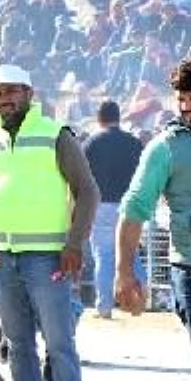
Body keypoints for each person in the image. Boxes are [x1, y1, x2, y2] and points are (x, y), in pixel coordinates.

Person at [0, 64, 99, 381]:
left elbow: (88, 191)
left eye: (13, 91)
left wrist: (75, 245)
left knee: (59, 342)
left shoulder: (56, 135)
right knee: (17, 344)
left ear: (30, 94)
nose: (5, 99)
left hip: (49, 256)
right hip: (2, 255)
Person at [114, 57, 191, 381]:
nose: (186, 106)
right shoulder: (166, 148)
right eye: (182, 98)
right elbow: (134, 208)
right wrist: (123, 270)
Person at [83, 100, 144, 318]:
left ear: (99, 118)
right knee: (132, 254)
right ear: (119, 117)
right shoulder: (134, 143)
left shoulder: (91, 143)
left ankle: (105, 307)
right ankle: (139, 302)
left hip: (100, 207)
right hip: (130, 205)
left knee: (104, 256)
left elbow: (81, 178)